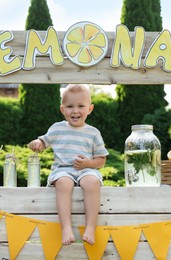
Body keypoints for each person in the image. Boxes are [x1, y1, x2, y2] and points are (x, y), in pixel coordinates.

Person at [28, 84, 108, 246]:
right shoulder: (57, 128)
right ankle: (66, 227)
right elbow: (44, 141)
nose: (75, 111)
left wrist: (88, 163)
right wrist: (37, 143)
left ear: (90, 109)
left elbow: (101, 160)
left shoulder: (93, 132)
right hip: (63, 170)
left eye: (81, 106)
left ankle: (90, 227)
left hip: (86, 170)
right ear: (62, 109)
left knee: (92, 182)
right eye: (70, 106)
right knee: (64, 183)